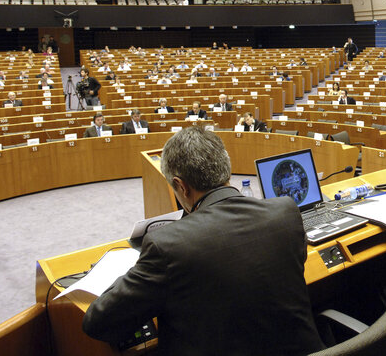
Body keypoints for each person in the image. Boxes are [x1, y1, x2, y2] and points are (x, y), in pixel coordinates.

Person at [82, 126, 324, 355]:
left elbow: (97, 322)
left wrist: (131, 273)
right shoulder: (285, 212)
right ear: (226, 171)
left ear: (181, 187)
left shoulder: (167, 246)